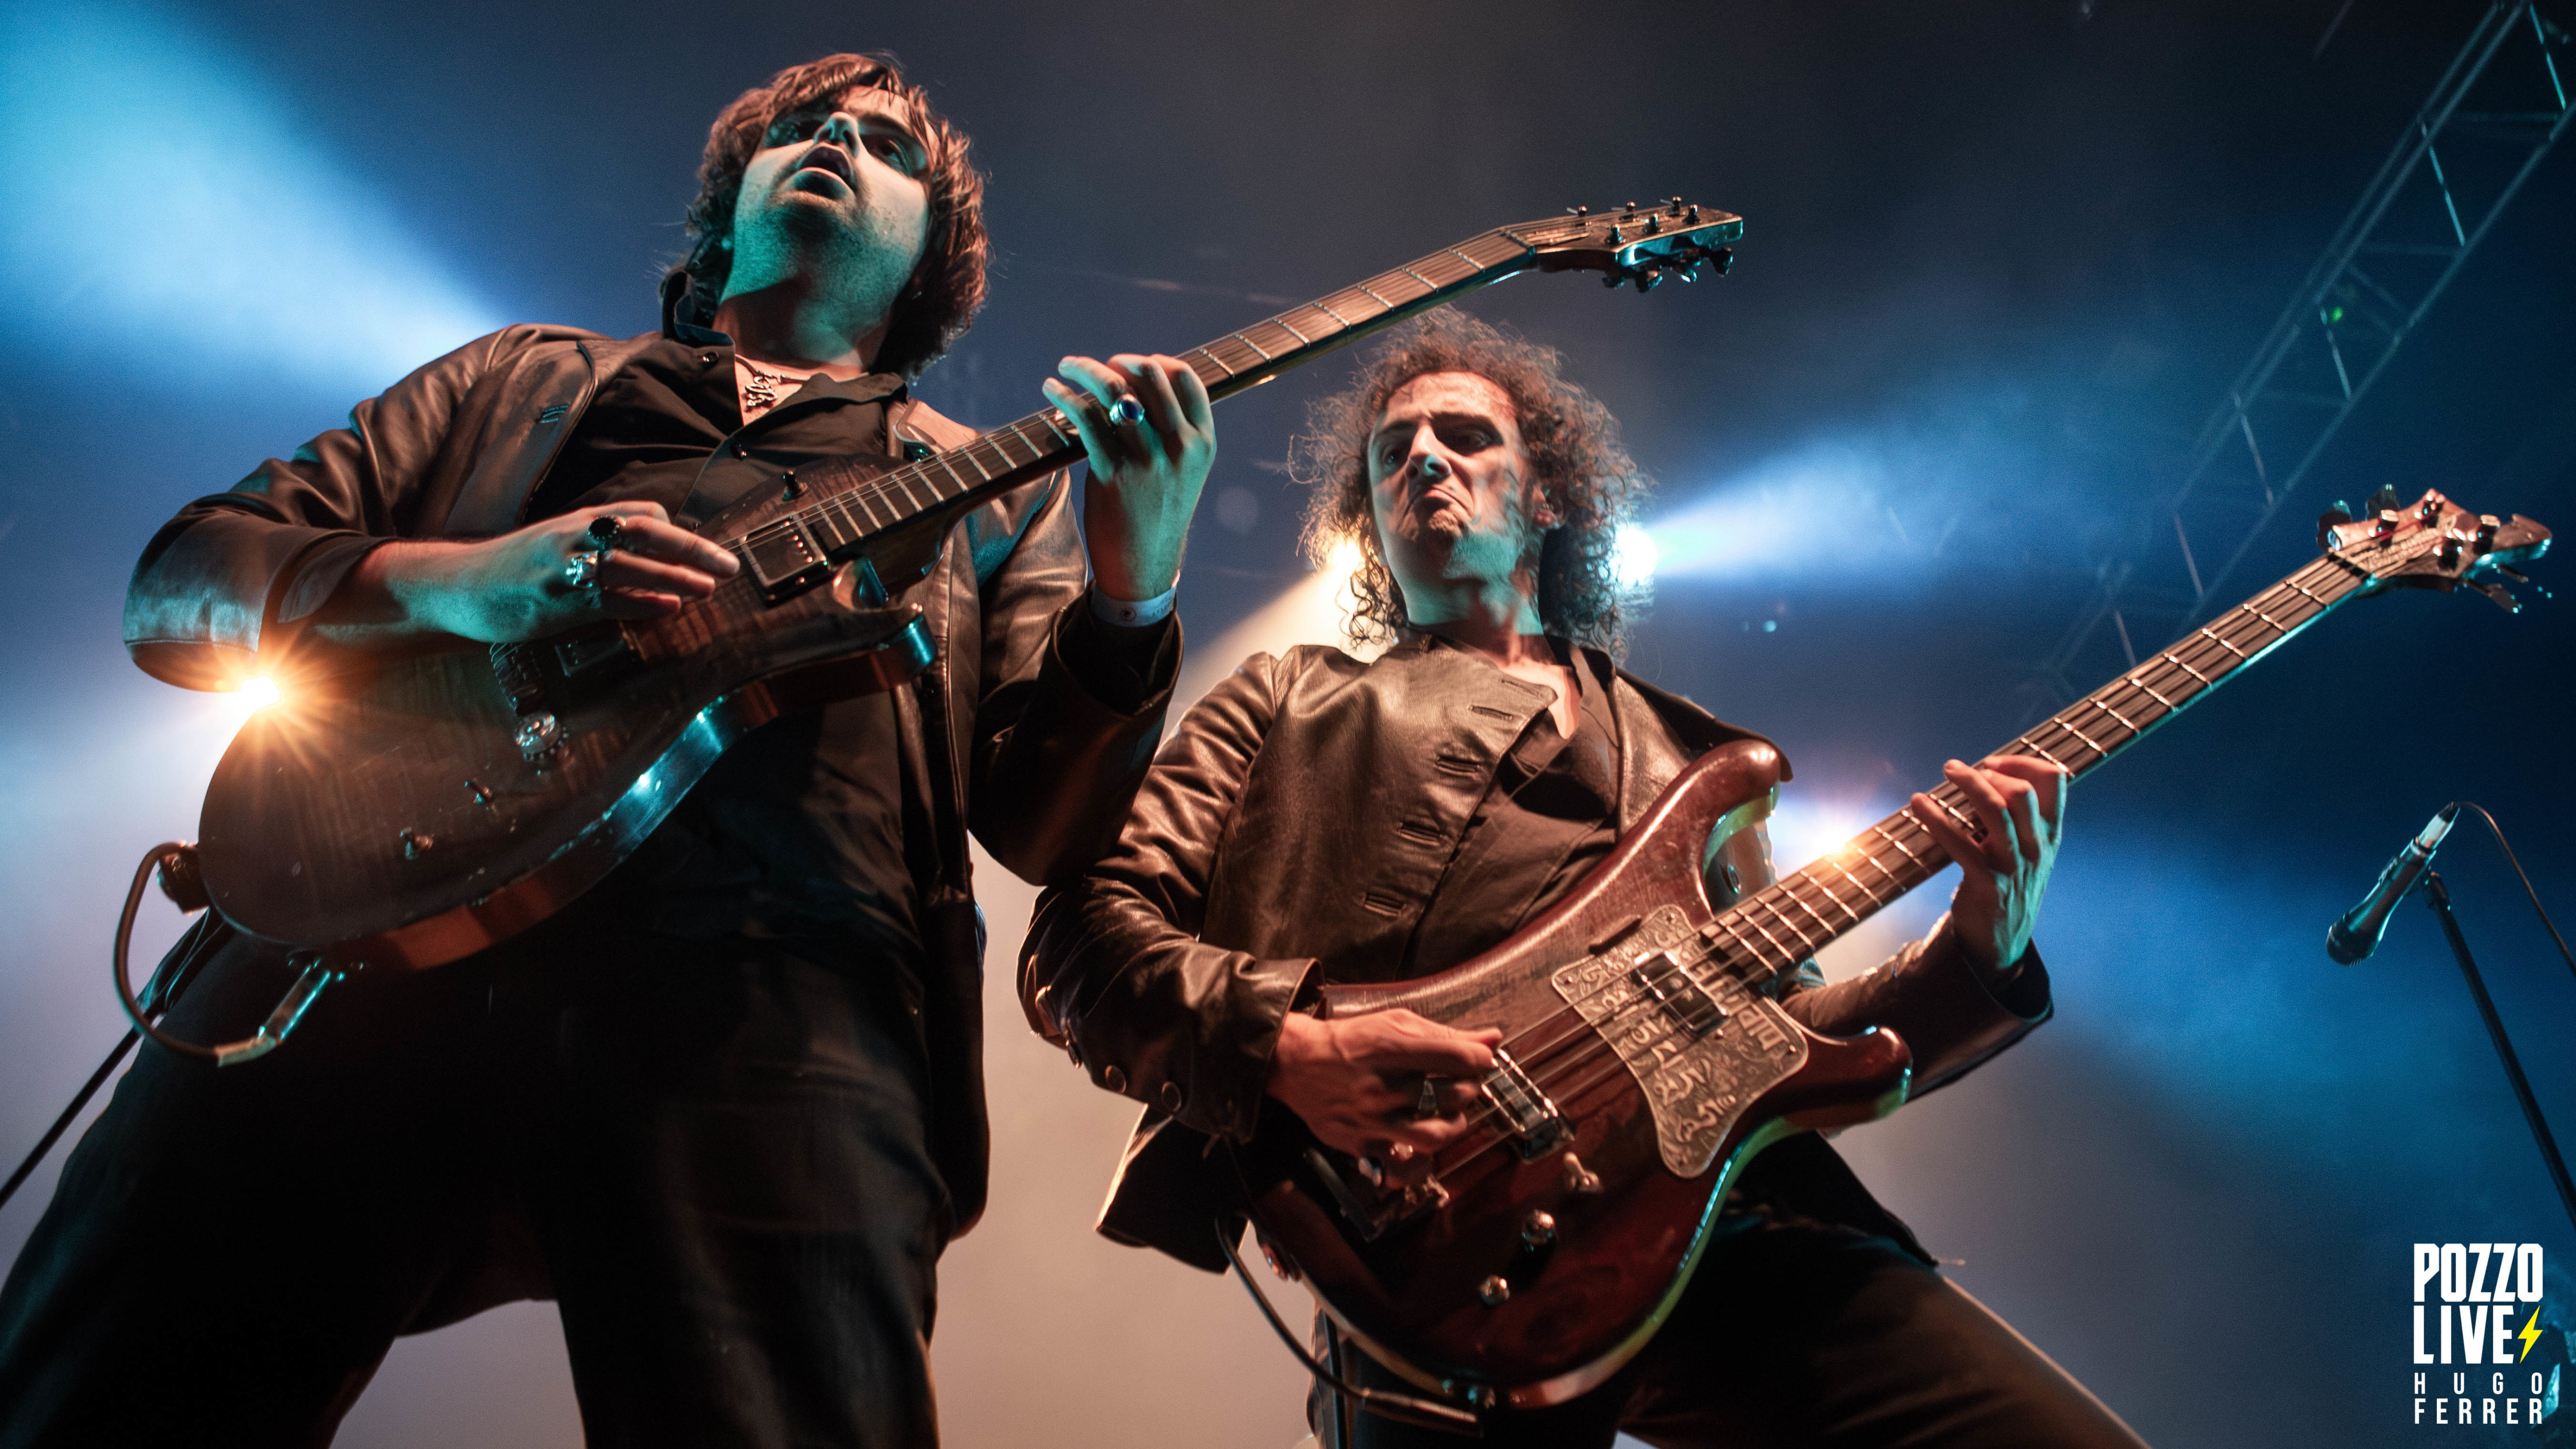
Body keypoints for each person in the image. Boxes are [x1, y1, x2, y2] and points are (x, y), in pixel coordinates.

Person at [0, 52, 1213, 1449]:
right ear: (728, 205)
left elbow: (1045, 827)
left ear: (929, 259)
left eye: (889, 147)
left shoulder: (992, 495)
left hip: (778, 988)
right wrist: (470, 581)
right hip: (360, 928)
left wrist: (1134, 594)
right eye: (804, 126)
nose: (836, 137)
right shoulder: (521, 377)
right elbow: (180, 583)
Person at [1021, 310, 2149, 1446]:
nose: (1424, 458)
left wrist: (1978, 947)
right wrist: (1285, 1047)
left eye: (1466, 436)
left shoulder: (1695, 758)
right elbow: (1082, 937)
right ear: (1369, 521)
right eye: (1393, 451)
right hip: (1442, 1246)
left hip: (1722, 1227)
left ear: (1547, 495)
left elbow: (1791, 1039)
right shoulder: (1288, 698)